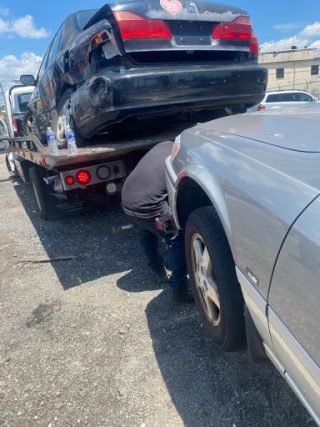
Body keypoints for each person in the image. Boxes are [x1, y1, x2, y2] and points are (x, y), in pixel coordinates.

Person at [121, 140, 194, 304]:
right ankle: (179, 290)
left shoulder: (162, 146)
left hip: (127, 202)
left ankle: (158, 271)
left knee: (145, 231)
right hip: (151, 208)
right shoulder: (180, 156)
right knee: (178, 239)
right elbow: (178, 190)